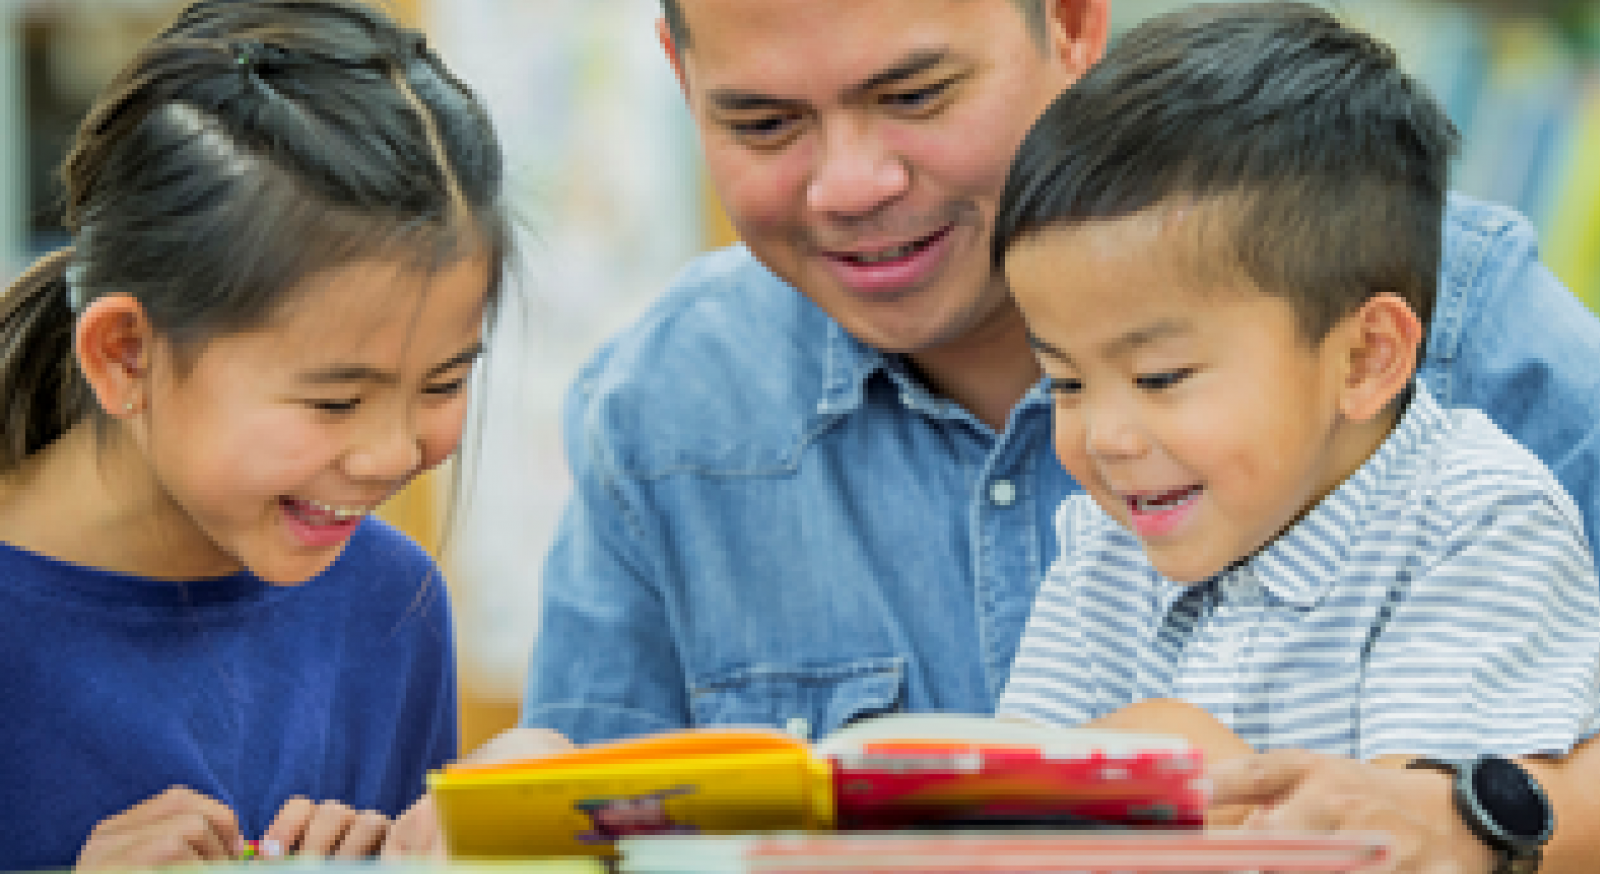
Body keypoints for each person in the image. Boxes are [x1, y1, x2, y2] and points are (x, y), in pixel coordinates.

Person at [520, 0, 1600, 869]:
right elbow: (591, 824)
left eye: (914, 93)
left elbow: (1403, 817)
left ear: (1074, 20)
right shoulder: (661, 406)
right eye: (761, 123)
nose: (850, 184)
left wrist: (1464, 816)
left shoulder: (1465, 353)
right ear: (679, 77)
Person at [992, 0, 1600, 782]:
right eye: (1066, 382)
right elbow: (1016, 808)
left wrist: (1187, 758)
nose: (1104, 436)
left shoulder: (1476, 525)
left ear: (1364, 360)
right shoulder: (1106, 549)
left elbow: (1418, 842)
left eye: (1159, 377)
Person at [0, 0, 511, 867]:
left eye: (444, 381)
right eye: (336, 402)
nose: (394, 456)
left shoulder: (391, 605)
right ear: (125, 357)